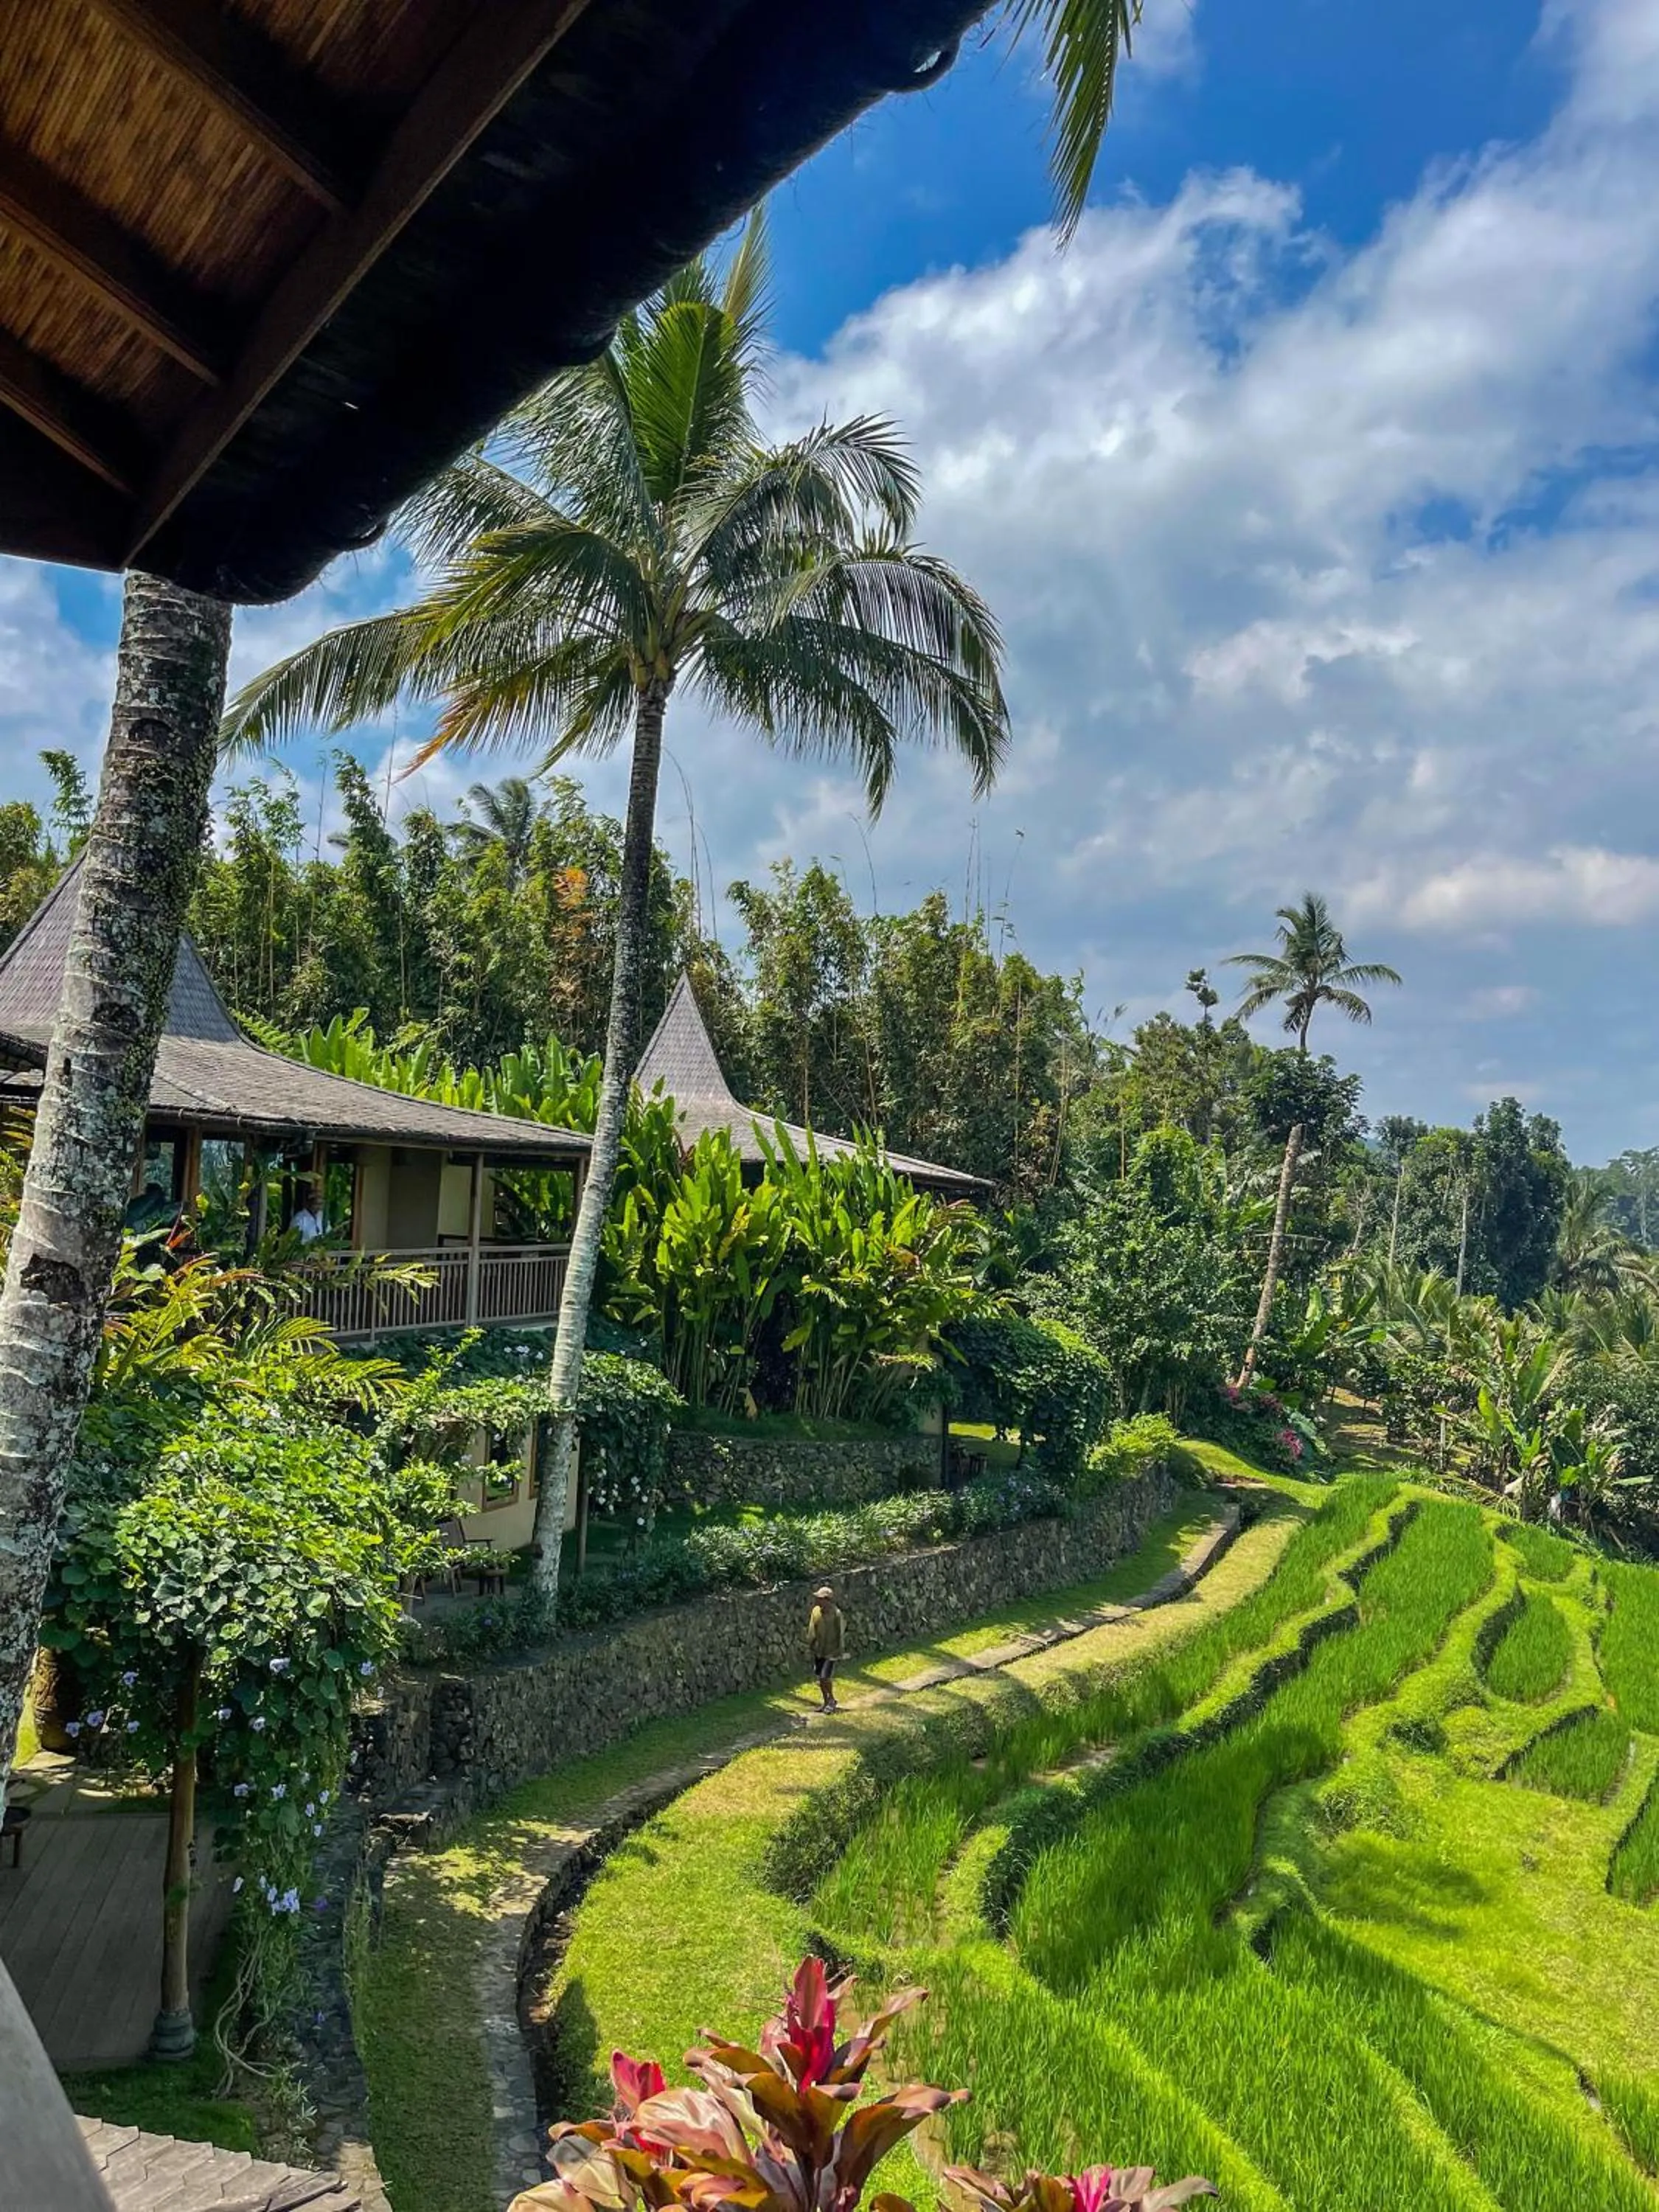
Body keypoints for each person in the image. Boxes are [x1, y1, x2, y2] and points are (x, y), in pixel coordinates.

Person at [807, 1584, 845, 1713]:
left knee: (825, 1677)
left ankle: (832, 1700)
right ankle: (826, 1702)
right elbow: (812, 1629)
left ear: (828, 1600)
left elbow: (840, 1633)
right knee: (820, 1678)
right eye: (817, 1598)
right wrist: (811, 1644)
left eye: (820, 1598)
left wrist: (838, 1651)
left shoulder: (836, 1614)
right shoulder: (816, 1611)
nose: (818, 1600)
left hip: (831, 1651)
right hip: (819, 1650)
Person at [290, 1179, 327, 1244]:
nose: (318, 1207)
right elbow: (293, 1239)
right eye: (316, 1204)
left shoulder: (322, 1216)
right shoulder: (299, 1219)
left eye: (320, 1204)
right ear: (308, 1203)